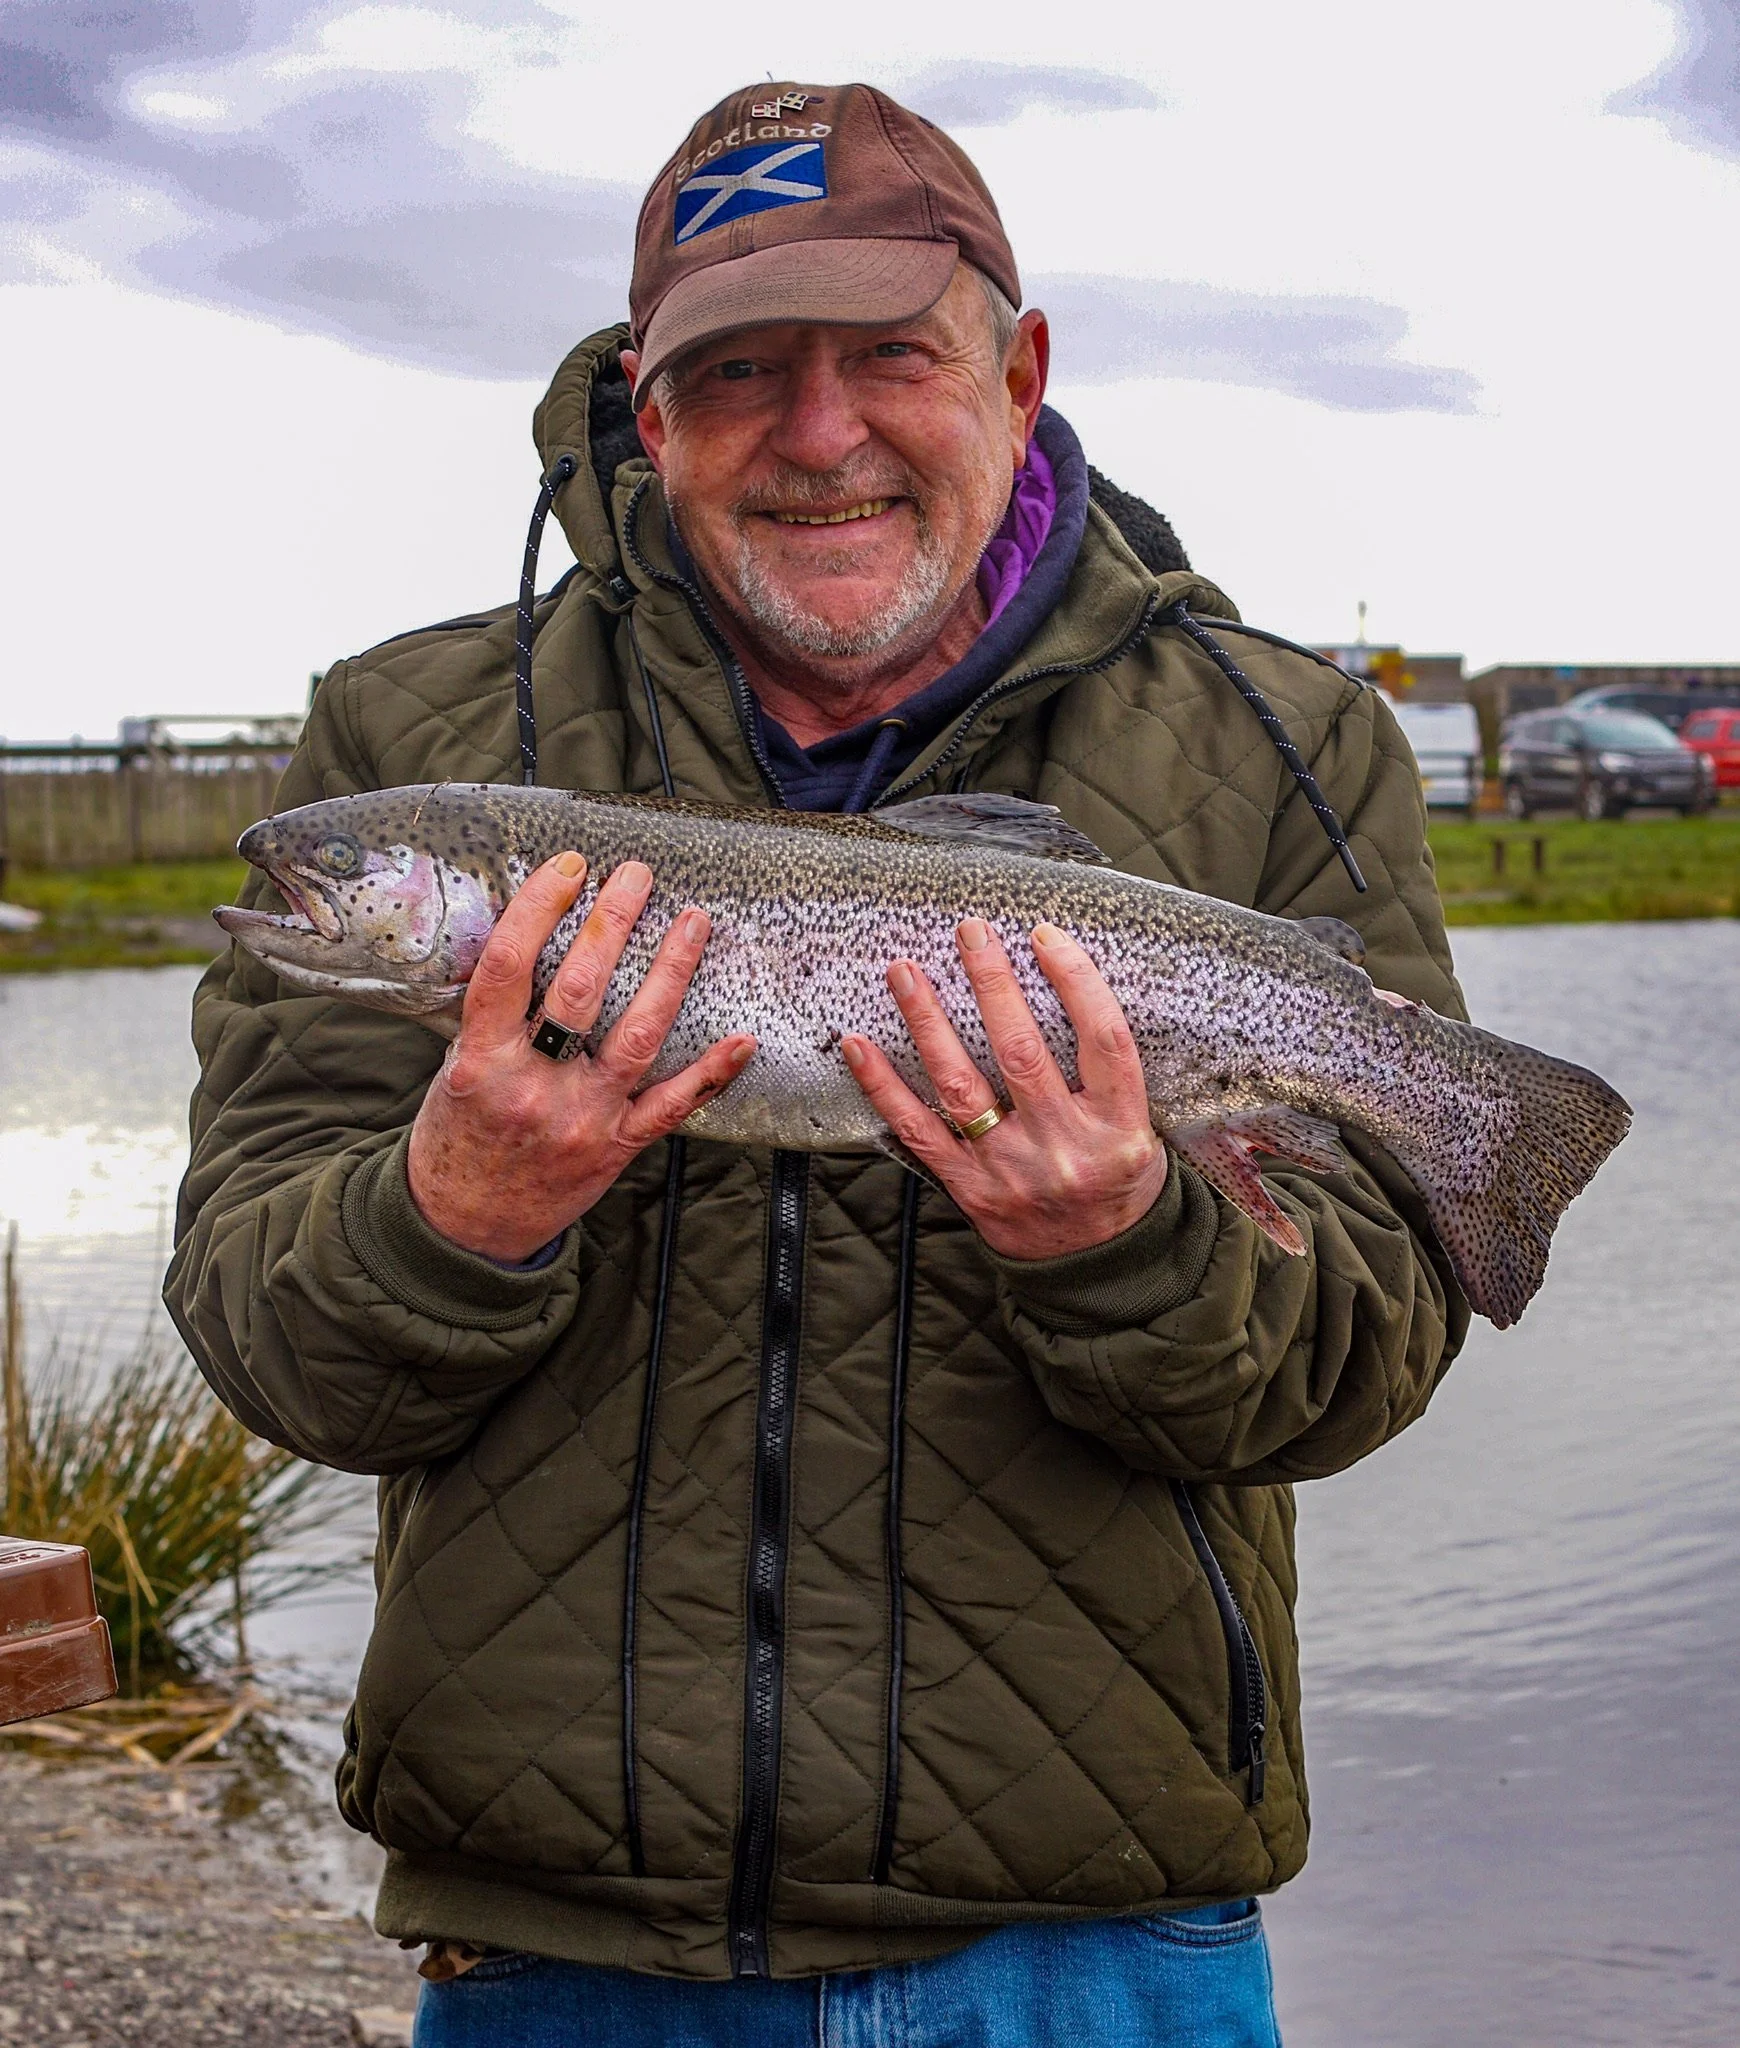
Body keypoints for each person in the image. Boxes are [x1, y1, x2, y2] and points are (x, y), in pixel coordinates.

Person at [167, 81, 1467, 2048]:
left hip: (1099, 1953)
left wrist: (1128, 1243)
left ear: (1019, 374)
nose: (821, 430)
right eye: (743, 370)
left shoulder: (1287, 742)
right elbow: (278, 1357)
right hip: (561, 1958)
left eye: (889, 357)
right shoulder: (411, 726)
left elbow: (1359, 1356)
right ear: (647, 407)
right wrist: (455, 1214)